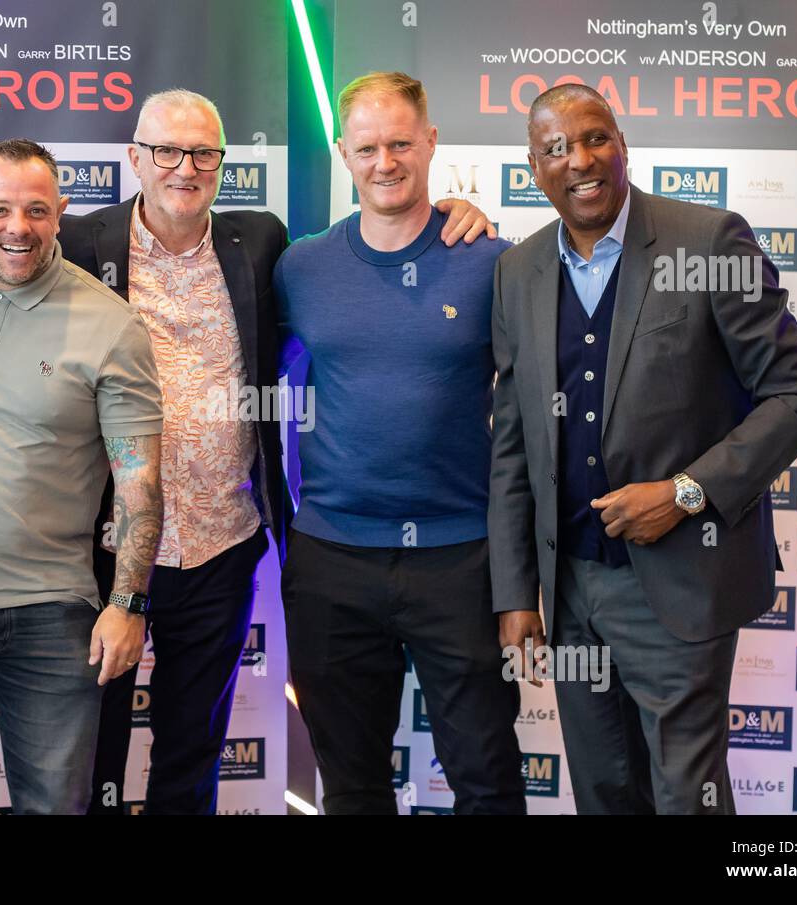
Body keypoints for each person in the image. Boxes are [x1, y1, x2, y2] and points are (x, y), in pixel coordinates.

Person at [61, 88, 495, 815]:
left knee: (191, 754)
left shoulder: (259, 244)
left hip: (221, 547)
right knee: (90, 752)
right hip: (106, 548)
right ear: (137, 158)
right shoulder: (80, 243)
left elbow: (371, 271)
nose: (185, 167)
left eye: (204, 152)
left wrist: (456, 212)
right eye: (167, 150)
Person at [489, 84, 797, 814]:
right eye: (556, 148)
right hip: (571, 587)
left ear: (622, 144)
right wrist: (517, 590)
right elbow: (514, 444)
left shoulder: (708, 240)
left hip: (679, 581)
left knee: (686, 795)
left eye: (595, 138)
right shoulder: (518, 272)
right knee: (604, 786)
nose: (579, 160)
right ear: (533, 166)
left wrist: (684, 492)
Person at [274, 72, 524, 815]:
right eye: (368, 147)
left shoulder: (492, 261)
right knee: (350, 786)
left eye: (401, 144)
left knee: (486, 776)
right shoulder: (301, 266)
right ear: (342, 153)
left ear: (432, 143)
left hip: (461, 559)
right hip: (331, 559)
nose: (385, 161)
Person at [0, 139, 164, 815]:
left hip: (53, 615)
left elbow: (140, 480)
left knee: (53, 805)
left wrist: (128, 602)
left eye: (37, 210)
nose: (18, 226)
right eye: (1, 208)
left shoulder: (111, 322)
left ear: (61, 214)